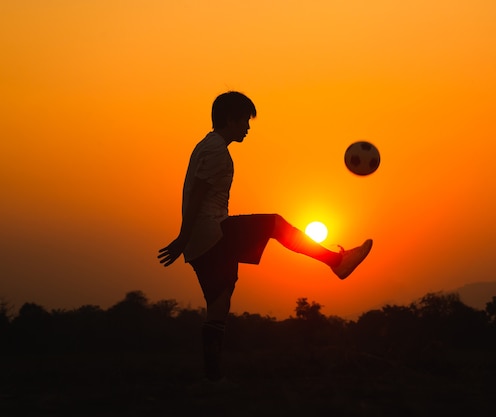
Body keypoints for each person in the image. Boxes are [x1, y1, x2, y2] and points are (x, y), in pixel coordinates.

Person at [158, 91, 372, 381]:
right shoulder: (216, 150)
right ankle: (336, 261)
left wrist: (187, 240)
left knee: (219, 306)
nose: (247, 127)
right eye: (245, 120)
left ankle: (212, 378)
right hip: (213, 233)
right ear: (231, 120)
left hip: (202, 241)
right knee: (274, 224)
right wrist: (183, 237)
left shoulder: (207, 146)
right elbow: (196, 195)